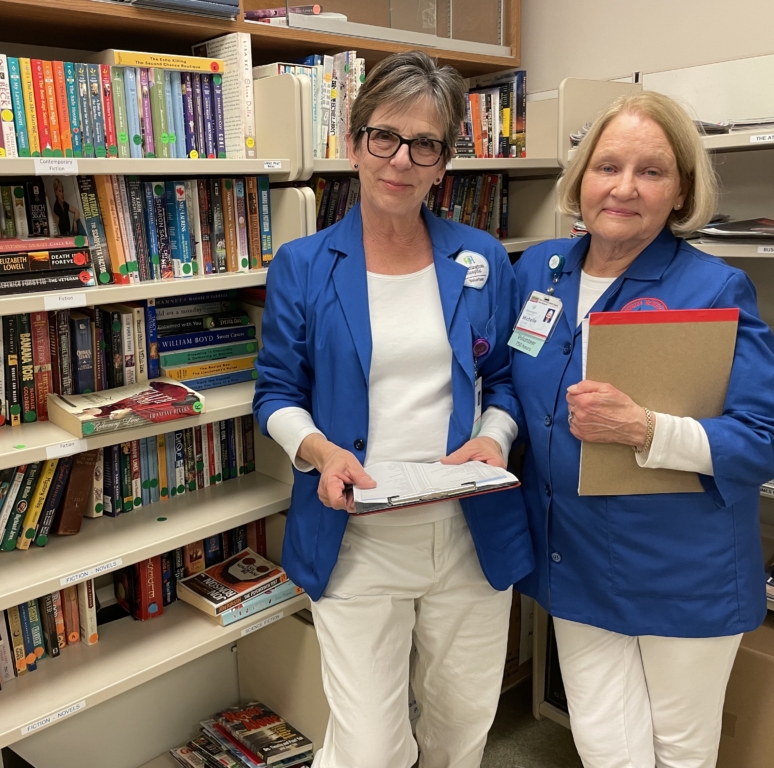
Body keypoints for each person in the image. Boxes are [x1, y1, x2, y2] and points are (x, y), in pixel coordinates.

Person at [499, 91, 774, 768]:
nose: (625, 188)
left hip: (679, 568)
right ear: (581, 180)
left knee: (677, 751)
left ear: (681, 191)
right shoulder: (536, 272)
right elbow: (508, 386)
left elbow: (769, 439)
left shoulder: (713, 288)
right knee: (605, 746)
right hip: (570, 555)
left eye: (652, 171)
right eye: (607, 166)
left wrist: (646, 429)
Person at [253, 51, 533, 768]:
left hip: (467, 532)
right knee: (371, 749)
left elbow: (503, 381)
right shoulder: (305, 264)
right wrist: (319, 451)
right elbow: (275, 395)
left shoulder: (481, 259)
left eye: (425, 144)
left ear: (443, 163)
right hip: (358, 537)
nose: (400, 160)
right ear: (352, 143)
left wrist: (495, 438)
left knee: (459, 732)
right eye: (384, 136)